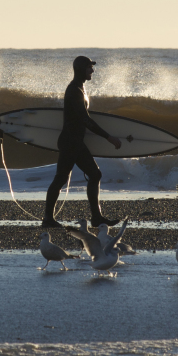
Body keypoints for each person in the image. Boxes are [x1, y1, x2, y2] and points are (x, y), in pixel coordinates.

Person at [41, 56, 122, 229]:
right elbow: (85, 120)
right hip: (71, 142)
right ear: (80, 69)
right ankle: (94, 218)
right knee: (89, 175)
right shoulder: (73, 91)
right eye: (89, 67)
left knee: (65, 178)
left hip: (73, 141)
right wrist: (109, 137)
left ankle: (51, 219)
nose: (92, 71)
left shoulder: (79, 88)